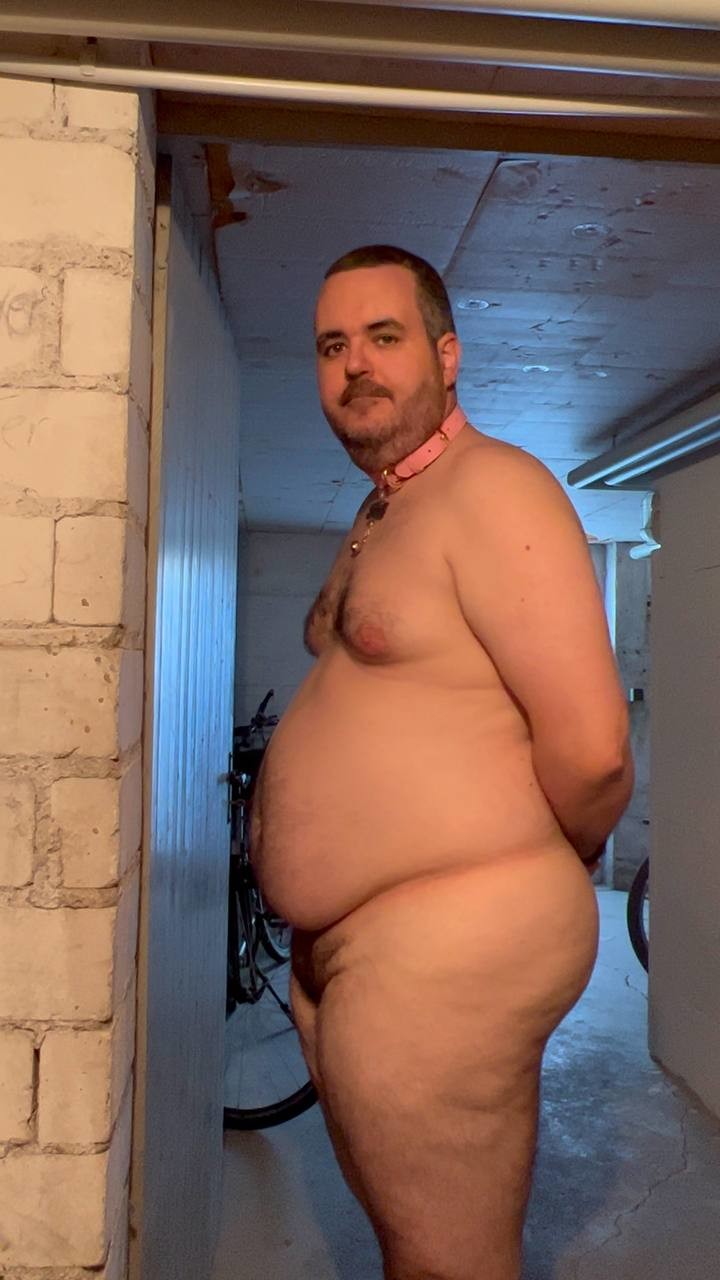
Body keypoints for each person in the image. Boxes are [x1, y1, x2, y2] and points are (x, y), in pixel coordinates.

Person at [250, 244, 634, 1280]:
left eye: (385, 336)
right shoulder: (385, 509)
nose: (356, 365)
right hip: (362, 951)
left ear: (447, 353)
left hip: (447, 943)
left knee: (449, 1263)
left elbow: (596, 752)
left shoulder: (496, 489)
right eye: (332, 345)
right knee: (413, 1251)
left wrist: (525, 866)